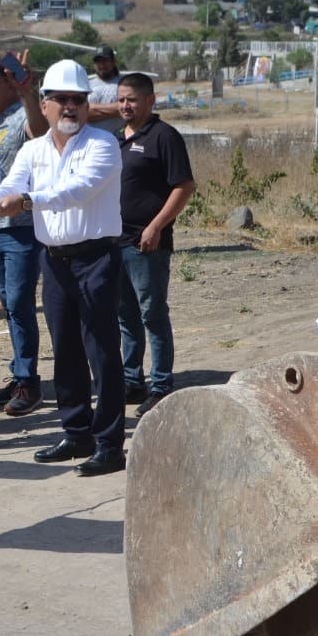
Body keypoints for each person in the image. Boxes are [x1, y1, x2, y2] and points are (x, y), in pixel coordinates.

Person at [0, 60, 126, 477]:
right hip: (56, 261)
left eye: (78, 100)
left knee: (102, 352)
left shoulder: (102, 144)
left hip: (96, 258)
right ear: (44, 104)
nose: (70, 106)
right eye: (61, 99)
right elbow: (12, 182)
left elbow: (76, 191)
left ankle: (109, 444)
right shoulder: (33, 149)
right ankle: (76, 431)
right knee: (64, 351)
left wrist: (25, 202)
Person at [0, 55, 47, 416]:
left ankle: (29, 384)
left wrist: (26, 92)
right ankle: (20, 374)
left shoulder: (21, 115)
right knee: (9, 306)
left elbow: (41, 132)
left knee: (19, 304)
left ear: (9, 85)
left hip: (22, 230)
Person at [115, 72, 195, 415]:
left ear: (150, 100)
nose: (125, 105)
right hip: (116, 243)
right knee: (125, 317)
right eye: (121, 99)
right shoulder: (117, 140)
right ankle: (132, 380)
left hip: (147, 244)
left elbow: (184, 187)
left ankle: (161, 384)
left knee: (152, 315)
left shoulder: (164, 137)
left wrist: (156, 226)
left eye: (131, 99)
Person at [86, 45, 126, 134]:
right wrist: (117, 109)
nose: (101, 65)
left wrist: (93, 108)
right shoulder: (87, 85)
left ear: (113, 62)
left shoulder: (125, 83)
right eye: (98, 62)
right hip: (93, 141)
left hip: (120, 139)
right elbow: (83, 113)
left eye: (105, 61)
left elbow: (129, 108)